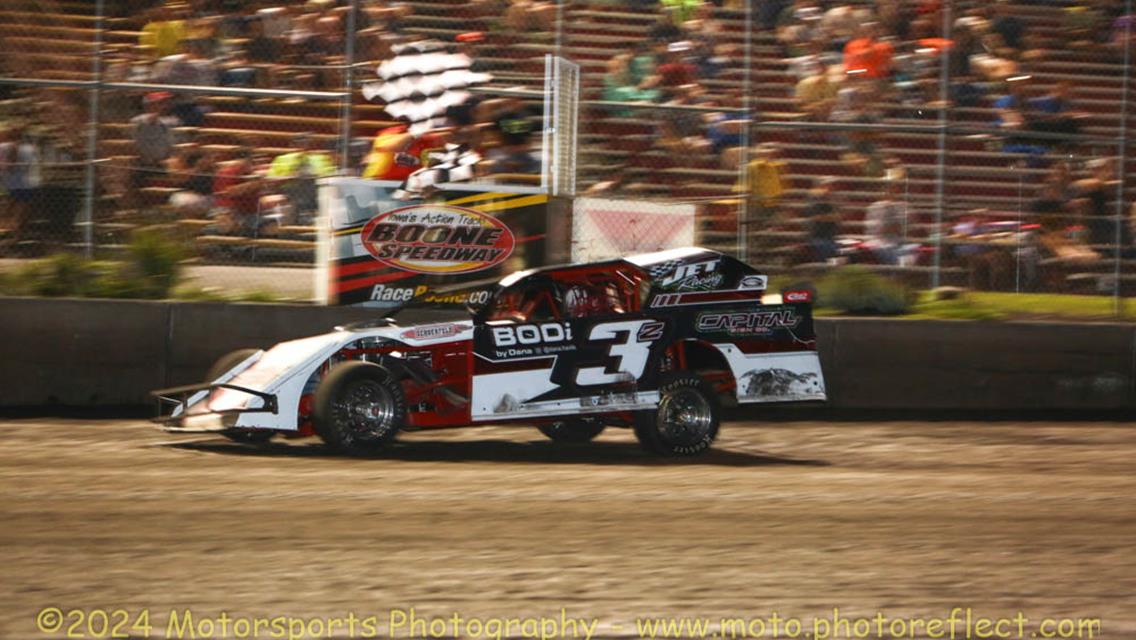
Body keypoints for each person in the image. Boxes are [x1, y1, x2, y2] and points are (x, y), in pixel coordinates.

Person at [267, 134, 336, 223]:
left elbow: (330, 177)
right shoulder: (282, 159)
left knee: (309, 183)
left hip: (315, 190)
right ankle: (301, 214)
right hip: (289, 190)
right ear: (292, 145)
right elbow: (271, 179)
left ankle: (306, 214)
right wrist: (292, 176)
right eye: (299, 143)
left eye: (306, 143)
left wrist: (315, 176)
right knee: (300, 185)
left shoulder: (321, 158)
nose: (303, 146)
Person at [865, 181, 907, 265]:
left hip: (898, 242)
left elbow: (904, 229)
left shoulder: (903, 206)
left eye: (897, 189)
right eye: (891, 189)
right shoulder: (876, 207)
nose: (894, 192)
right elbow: (877, 230)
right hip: (880, 242)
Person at [803, 177, 840, 262]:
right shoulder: (815, 200)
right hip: (818, 238)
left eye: (832, 185)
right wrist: (831, 217)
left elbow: (838, 217)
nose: (831, 188)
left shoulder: (831, 201)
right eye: (828, 185)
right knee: (825, 255)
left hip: (831, 237)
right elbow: (815, 217)